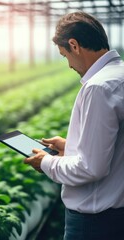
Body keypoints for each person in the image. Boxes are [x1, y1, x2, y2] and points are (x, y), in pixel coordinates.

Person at [24, 11, 124, 240]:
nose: (68, 64)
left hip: (94, 224)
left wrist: (46, 162)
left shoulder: (98, 88)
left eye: (64, 55)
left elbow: (91, 168)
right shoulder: (119, 76)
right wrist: (71, 146)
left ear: (74, 45)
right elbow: (114, 147)